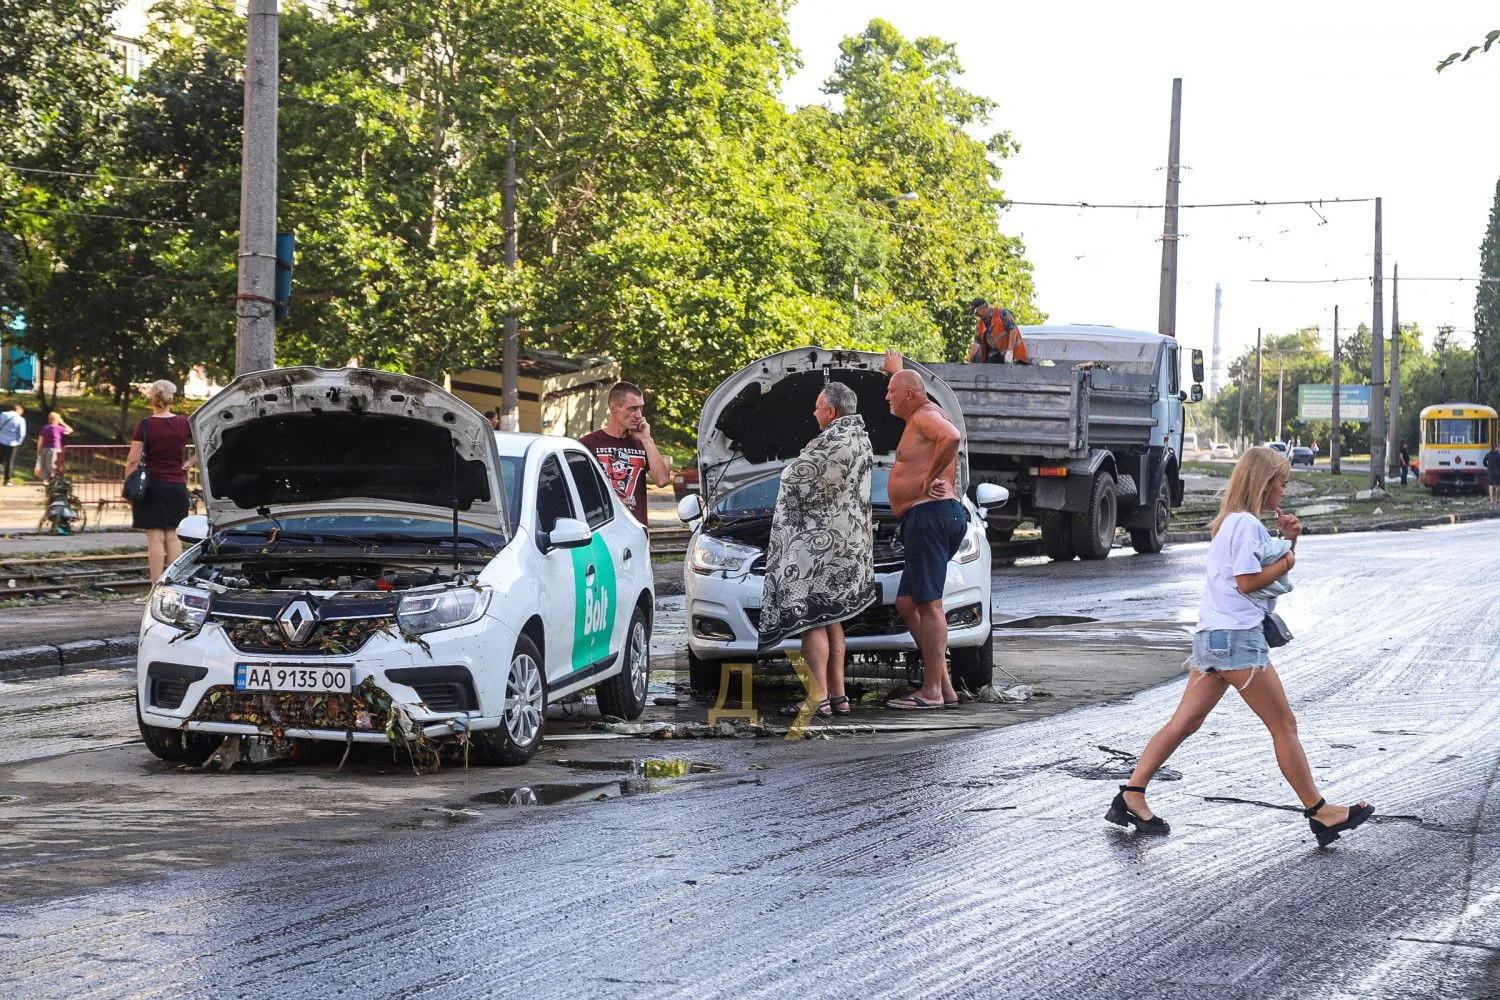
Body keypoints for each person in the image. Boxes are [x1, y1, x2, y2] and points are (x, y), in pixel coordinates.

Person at [1107, 445, 1375, 846]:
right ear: (1264, 484)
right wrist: (1288, 559)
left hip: (1212, 638)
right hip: (1236, 641)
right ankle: (1321, 813)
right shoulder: (1247, 525)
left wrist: (1288, 545)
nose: (1284, 492)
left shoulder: (1230, 523)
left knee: (1185, 723)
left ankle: (1132, 794)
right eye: (1281, 484)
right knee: (1283, 725)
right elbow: (1249, 582)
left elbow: (1259, 574)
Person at [757, 382, 878, 720]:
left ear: (831, 411)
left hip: (820, 550)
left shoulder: (834, 442)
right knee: (834, 618)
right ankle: (839, 696)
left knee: (811, 618)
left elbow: (793, 478)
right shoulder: (862, 439)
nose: (813, 413)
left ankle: (818, 697)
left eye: (816, 407)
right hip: (850, 545)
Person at [878, 350, 967, 709]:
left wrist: (929, 479)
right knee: (907, 602)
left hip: (930, 515)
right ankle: (943, 684)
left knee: (929, 604)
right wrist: (897, 372)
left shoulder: (926, 416)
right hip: (928, 517)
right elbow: (911, 390)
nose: (886, 397)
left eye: (891, 391)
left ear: (911, 396)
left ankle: (931, 692)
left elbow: (952, 437)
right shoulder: (922, 411)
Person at [124, 380, 195, 602]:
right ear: (172, 399)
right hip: (176, 487)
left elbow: (133, 459)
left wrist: (128, 485)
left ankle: (155, 592)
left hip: (151, 488)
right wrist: (190, 462)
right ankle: (173, 591)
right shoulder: (185, 423)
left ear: (151, 399)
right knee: (173, 537)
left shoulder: (145, 425)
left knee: (155, 539)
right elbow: (208, 445)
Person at [580, 381, 670, 525]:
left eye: (640, 408)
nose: (639, 415)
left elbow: (662, 480)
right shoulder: (588, 444)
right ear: (613, 407)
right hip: (601, 530)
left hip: (635, 531)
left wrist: (647, 439)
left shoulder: (643, 443)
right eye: (632, 409)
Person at [965, 298, 1030, 365]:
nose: (976, 315)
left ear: (984, 308)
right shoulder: (980, 324)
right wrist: (969, 360)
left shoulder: (1001, 313)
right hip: (998, 355)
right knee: (990, 370)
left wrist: (1009, 353)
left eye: (976, 312)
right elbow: (976, 343)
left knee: (1012, 373)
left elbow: (1013, 331)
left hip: (1015, 355)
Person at [36, 411, 74, 483]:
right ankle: (52, 479)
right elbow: (70, 430)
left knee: (44, 463)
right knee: (52, 464)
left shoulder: (45, 428)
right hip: (55, 448)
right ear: (56, 419)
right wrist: (62, 423)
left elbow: (40, 439)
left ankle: (46, 479)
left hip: (45, 448)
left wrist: (38, 449)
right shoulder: (58, 428)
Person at [0, 402, 24, 486]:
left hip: (1, 441)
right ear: (18, 410)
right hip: (12, 443)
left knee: (0, 460)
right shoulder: (20, 419)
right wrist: (19, 442)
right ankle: (6, 480)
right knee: (9, 461)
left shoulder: (2, 414)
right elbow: (22, 434)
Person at [1485, 439, 1500, 504]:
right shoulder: (1499, 455)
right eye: (1499, 447)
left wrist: (1487, 466)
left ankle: (1491, 500)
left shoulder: (1488, 454)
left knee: (1490, 485)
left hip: (1490, 471)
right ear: (1496, 448)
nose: (1499, 448)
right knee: (1498, 485)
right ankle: (1497, 499)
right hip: (1497, 471)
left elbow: (1484, 462)